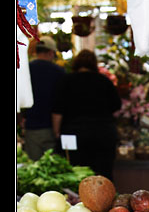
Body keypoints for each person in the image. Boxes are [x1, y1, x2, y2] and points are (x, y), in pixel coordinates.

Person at [52, 49, 121, 179]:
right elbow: (116, 105)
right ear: (94, 64)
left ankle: (76, 199)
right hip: (103, 133)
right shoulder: (104, 81)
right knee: (103, 174)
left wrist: (56, 132)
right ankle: (105, 199)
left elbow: (57, 110)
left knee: (75, 173)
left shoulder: (67, 81)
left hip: (74, 133)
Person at [23, 36, 66, 161]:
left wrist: (21, 119)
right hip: (52, 127)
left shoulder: (26, 70)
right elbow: (61, 102)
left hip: (31, 127)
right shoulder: (59, 72)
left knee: (34, 168)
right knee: (52, 167)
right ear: (51, 52)